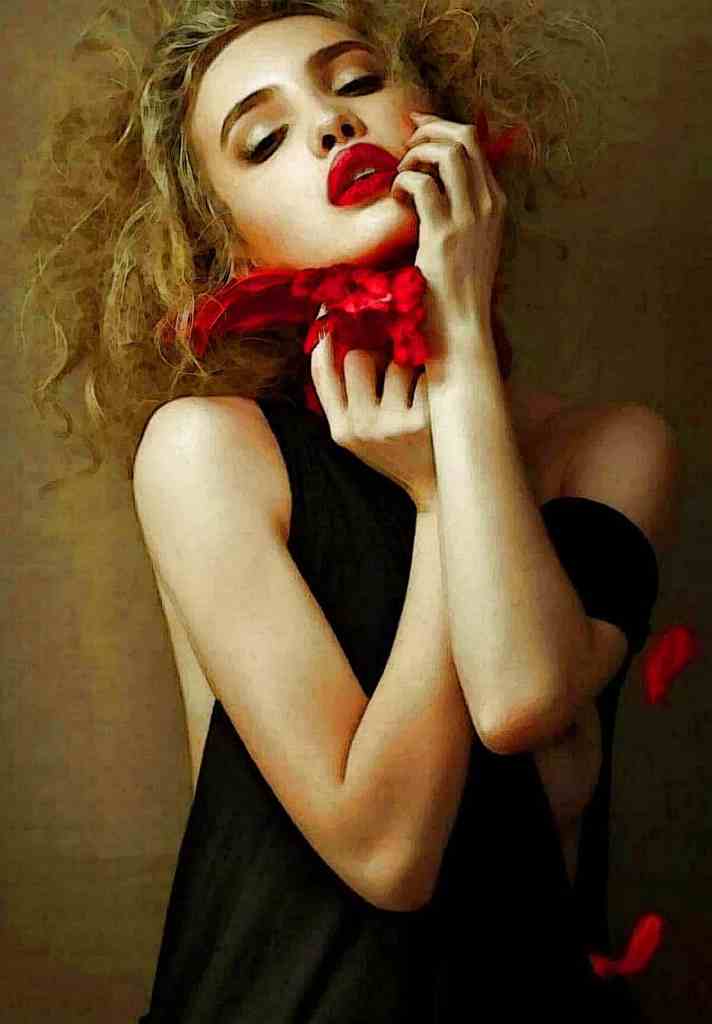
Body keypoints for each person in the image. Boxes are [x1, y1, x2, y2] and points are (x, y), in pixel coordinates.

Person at [17, 1, 681, 1020]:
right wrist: (431, 505)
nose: (331, 124)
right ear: (228, 248)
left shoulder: (607, 447)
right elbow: (387, 853)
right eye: (263, 139)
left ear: (443, 119)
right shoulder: (209, 453)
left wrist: (457, 347)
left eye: (358, 82)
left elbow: (518, 697)